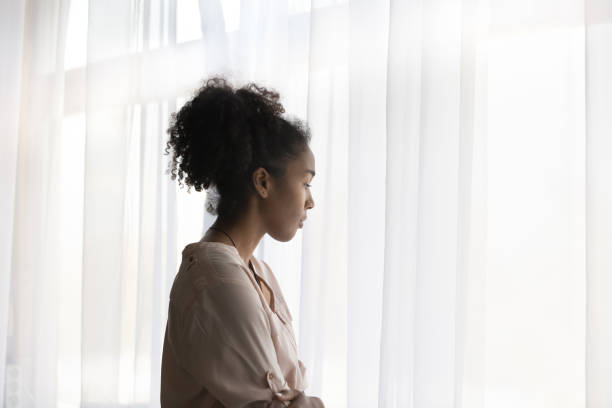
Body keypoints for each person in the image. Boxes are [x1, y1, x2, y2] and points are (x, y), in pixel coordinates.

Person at [160, 77, 323, 408]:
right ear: (263, 181)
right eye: (305, 183)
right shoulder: (218, 280)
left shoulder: (256, 272)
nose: (310, 201)